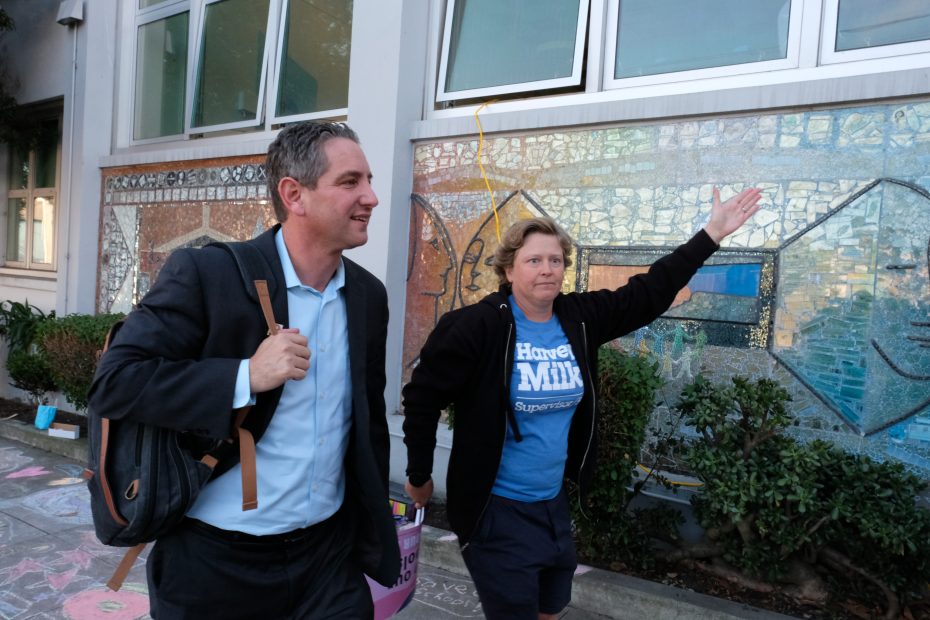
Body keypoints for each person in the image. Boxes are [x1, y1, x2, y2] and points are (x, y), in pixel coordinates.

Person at [402, 187, 763, 620]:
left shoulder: (578, 319)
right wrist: (419, 474)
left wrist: (711, 234)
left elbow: (649, 291)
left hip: (552, 503)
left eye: (555, 260)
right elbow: (422, 400)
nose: (547, 270)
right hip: (494, 507)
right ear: (509, 268)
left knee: (552, 606)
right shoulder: (475, 327)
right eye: (534, 260)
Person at [88, 121, 400, 619]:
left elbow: (365, 423)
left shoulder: (367, 295)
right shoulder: (208, 274)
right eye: (350, 182)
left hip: (328, 559)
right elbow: (116, 382)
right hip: (216, 563)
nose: (371, 198)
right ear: (294, 194)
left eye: (368, 180)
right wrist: (244, 377)